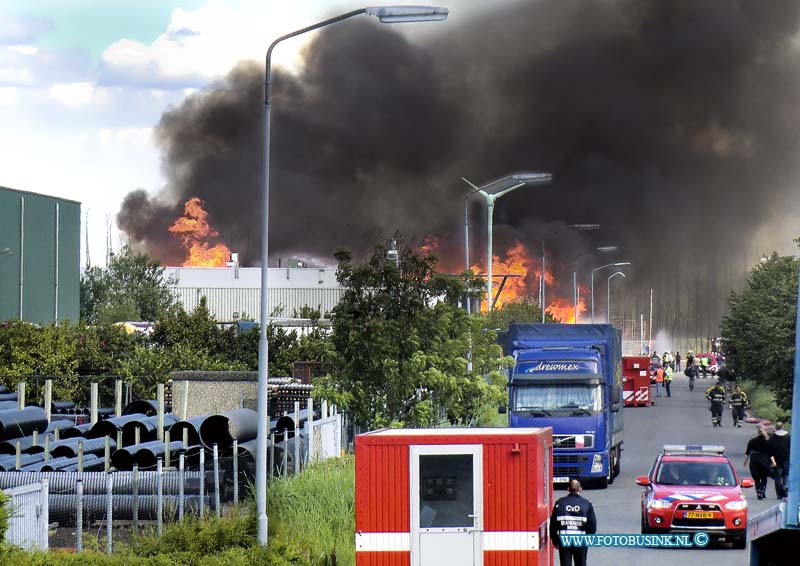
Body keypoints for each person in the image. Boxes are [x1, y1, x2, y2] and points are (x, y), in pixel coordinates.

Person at [550, 479, 597, 566]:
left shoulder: (560, 503)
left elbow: (553, 525)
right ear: (580, 489)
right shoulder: (586, 504)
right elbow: (592, 527)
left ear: (568, 489)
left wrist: (555, 541)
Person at [745, 425, 772, 499]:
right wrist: (773, 462)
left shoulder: (752, 441)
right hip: (763, 462)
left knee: (756, 478)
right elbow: (770, 453)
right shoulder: (767, 442)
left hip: (754, 462)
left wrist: (745, 461)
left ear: (757, 433)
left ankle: (758, 492)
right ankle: (763, 489)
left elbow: (747, 453)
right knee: (764, 477)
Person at [769, 421, 791, 499]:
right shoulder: (788, 436)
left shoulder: (772, 437)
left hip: (776, 460)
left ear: (776, 427)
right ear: (782, 427)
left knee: (777, 477)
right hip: (786, 459)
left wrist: (770, 461)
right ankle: (786, 487)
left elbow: (769, 450)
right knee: (786, 475)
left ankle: (779, 494)